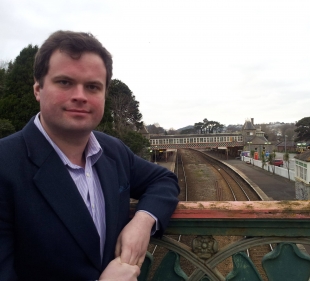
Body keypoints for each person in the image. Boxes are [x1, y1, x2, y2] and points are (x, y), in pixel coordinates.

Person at [0, 30, 180, 280]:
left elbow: (163, 180)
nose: (80, 96)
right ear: (38, 89)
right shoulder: (5, 164)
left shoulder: (112, 151)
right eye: (65, 82)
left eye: (93, 87)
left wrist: (143, 221)